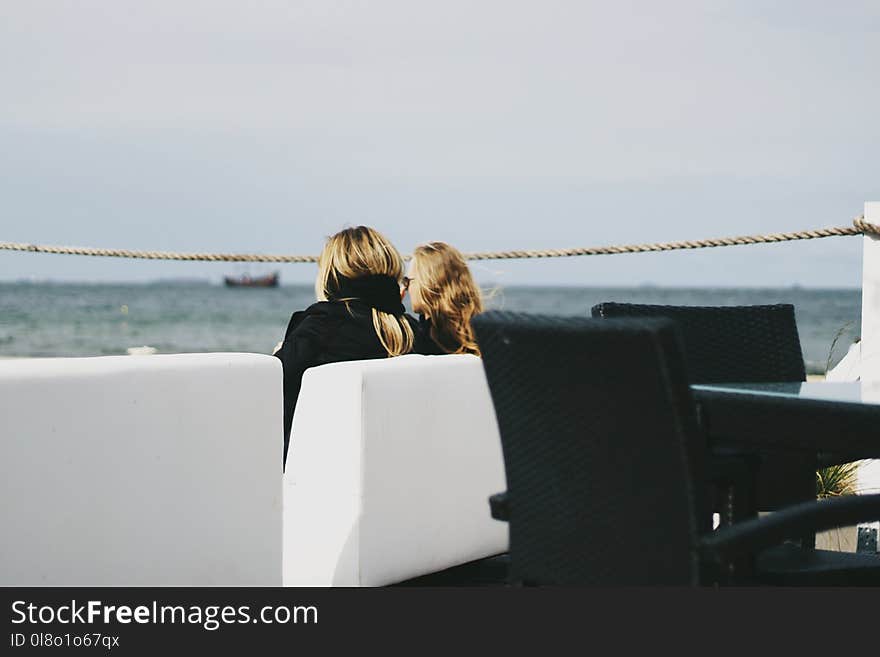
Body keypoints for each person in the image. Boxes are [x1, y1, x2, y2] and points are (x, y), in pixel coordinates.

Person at [274, 226, 428, 468]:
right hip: (399, 469)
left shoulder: (319, 328)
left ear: (332, 276)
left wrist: (279, 355)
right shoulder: (411, 333)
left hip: (321, 471)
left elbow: (272, 397)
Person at [403, 241, 483, 356]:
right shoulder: (476, 331)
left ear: (428, 283)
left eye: (407, 281)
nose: (405, 288)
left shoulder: (422, 340)